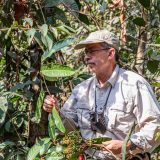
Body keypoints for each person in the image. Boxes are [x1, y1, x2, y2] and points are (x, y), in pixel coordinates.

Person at [43, 30, 160, 160]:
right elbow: (68, 130)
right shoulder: (81, 89)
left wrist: (128, 145)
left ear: (110, 53)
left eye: (92, 51)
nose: (87, 57)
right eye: (86, 52)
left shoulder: (134, 84)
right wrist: (56, 112)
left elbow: (155, 126)